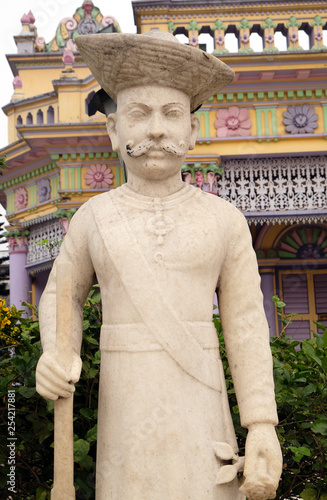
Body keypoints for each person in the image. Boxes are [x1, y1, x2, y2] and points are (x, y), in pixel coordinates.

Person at [36, 31, 282, 500]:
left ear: (192, 129)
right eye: (138, 114)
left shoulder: (224, 221)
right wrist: (57, 353)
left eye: (171, 115)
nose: (154, 129)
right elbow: (61, 295)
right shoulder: (92, 218)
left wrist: (261, 423)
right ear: (113, 131)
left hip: (202, 404)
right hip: (124, 410)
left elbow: (248, 325)